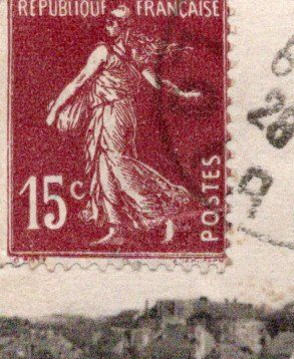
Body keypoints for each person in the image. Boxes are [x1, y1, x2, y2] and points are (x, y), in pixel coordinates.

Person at [45, 4, 203, 245]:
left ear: (123, 27)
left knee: (119, 166)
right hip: (120, 114)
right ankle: (117, 228)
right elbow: (158, 82)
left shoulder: (104, 53)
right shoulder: (135, 55)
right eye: (108, 21)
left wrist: (55, 109)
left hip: (112, 113)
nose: (108, 25)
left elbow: (79, 82)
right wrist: (182, 94)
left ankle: (166, 211)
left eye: (113, 22)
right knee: (105, 168)